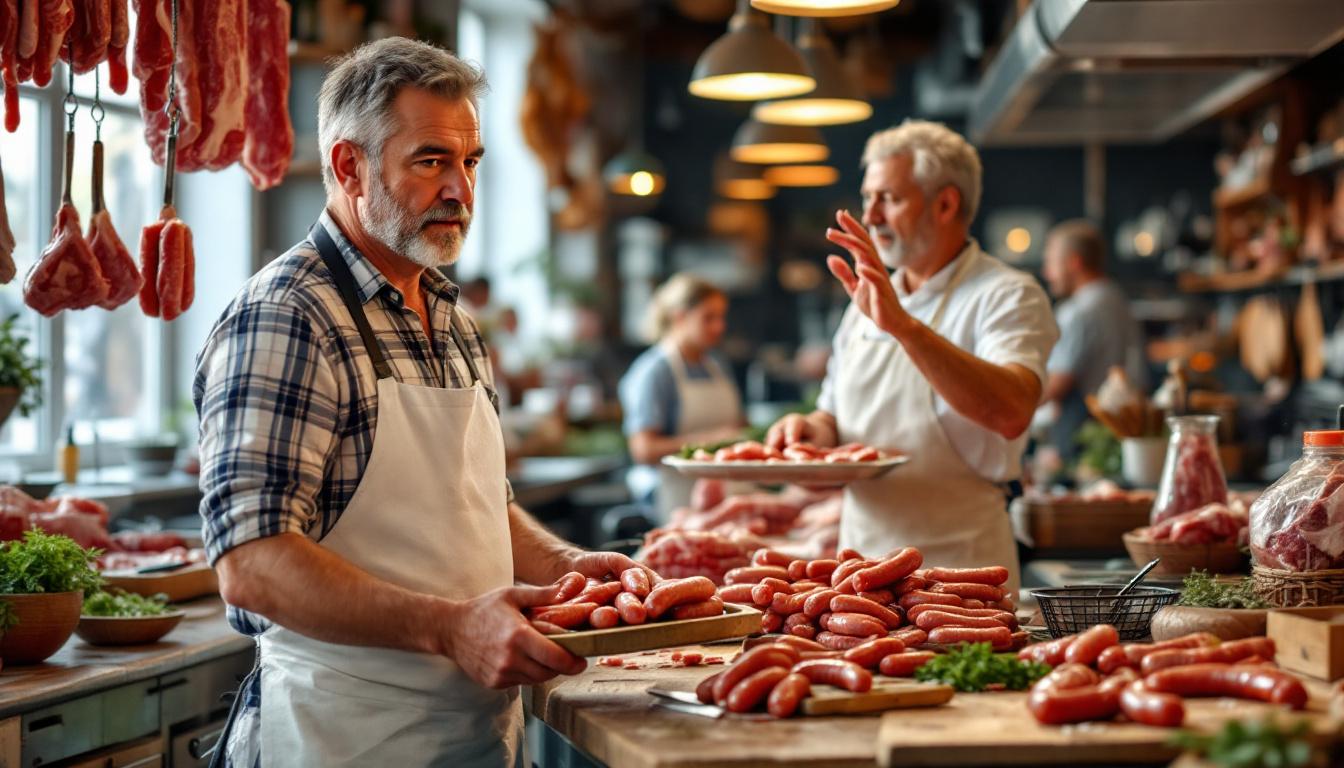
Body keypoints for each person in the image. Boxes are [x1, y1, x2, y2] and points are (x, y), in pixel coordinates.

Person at [194, 39, 643, 768]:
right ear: (348, 167)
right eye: (431, 160)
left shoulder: (452, 318)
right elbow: (253, 562)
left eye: (470, 163)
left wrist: (565, 565)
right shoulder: (288, 314)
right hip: (340, 741)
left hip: (475, 737)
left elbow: (475, 507)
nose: (461, 189)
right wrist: (449, 628)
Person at [766, 120, 1058, 594]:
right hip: (859, 573)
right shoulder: (863, 303)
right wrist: (808, 432)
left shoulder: (1006, 294)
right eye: (868, 198)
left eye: (890, 199)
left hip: (962, 571)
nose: (872, 217)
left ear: (946, 204)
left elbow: (1011, 411)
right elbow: (833, 417)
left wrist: (904, 327)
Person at [619, 273, 745, 519]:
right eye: (708, 318)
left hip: (728, 494)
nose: (719, 327)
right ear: (680, 317)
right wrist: (712, 439)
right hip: (675, 501)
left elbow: (738, 424)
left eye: (721, 317)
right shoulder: (655, 371)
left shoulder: (716, 365)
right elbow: (643, 449)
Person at [1039, 219, 1147, 463]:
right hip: (1123, 429)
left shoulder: (1079, 310)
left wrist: (1010, 402)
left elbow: (1057, 383)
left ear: (1074, 262)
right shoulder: (1117, 299)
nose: (1047, 273)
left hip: (1084, 437)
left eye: (1051, 263)